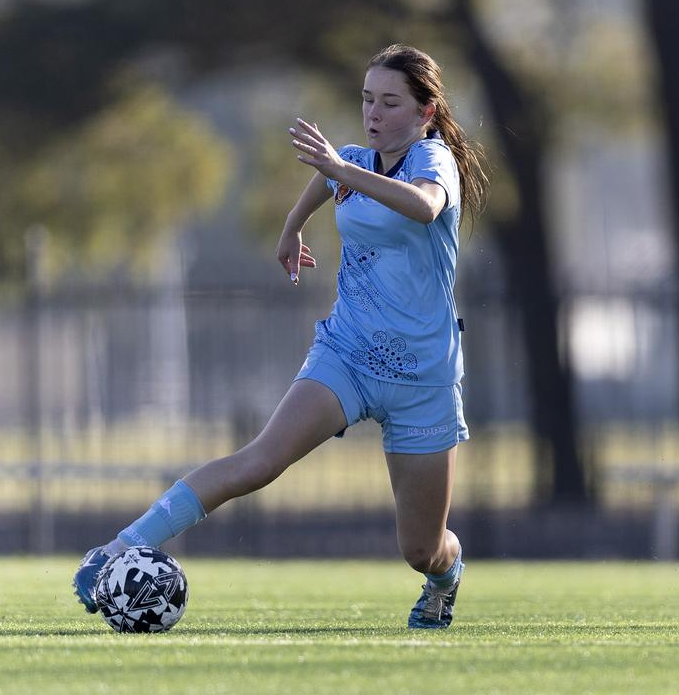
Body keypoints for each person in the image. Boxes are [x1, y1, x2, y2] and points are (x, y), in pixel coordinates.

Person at [74, 43, 488, 629]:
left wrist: (341, 172)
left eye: (390, 102)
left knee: (420, 549)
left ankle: (447, 575)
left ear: (425, 112)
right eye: (368, 98)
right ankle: (115, 549)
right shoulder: (352, 160)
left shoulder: (432, 161)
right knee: (258, 462)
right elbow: (326, 182)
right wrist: (293, 229)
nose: (374, 112)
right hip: (347, 355)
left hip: (424, 376)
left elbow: (424, 207)